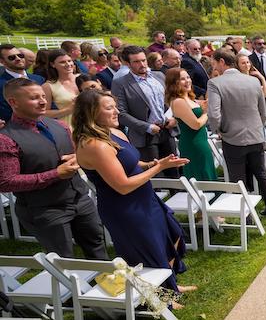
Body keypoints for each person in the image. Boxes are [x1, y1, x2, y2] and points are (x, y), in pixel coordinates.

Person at [73, 90, 193, 297]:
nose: (116, 111)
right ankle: (161, 297)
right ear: (91, 113)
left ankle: (169, 284)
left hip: (145, 198)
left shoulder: (114, 132)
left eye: (115, 106)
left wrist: (149, 164)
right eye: (109, 108)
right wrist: (158, 168)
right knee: (146, 250)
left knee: (170, 235)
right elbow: (123, 185)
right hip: (124, 206)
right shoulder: (95, 145)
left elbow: (129, 161)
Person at [0, 78, 107, 260]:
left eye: (43, 96)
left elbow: (75, 153)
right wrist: (55, 174)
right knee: (62, 259)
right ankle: (73, 289)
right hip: (44, 208)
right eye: (34, 98)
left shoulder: (60, 125)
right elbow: (6, 182)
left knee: (98, 248)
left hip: (80, 198)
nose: (43, 101)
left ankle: (109, 286)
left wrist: (77, 158)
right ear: (13, 102)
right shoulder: (6, 139)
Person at [206, 49, 266, 220]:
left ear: (222, 62)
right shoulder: (253, 81)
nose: (214, 66)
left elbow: (214, 114)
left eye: (214, 63)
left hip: (232, 137)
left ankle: (247, 216)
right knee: (261, 173)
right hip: (255, 134)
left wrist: (219, 130)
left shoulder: (215, 83)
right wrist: (257, 127)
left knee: (238, 179)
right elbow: (263, 111)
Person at [112, 46, 179, 177]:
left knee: (174, 171)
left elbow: (169, 100)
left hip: (166, 130)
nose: (142, 64)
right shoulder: (120, 83)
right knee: (153, 174)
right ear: (127, 63)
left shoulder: (158, 76)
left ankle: (177, 196)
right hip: (145, 135)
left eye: (143, 60)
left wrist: (173, 117)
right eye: (136, 62)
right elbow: (121, 113)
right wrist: (147, 127)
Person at [165, 68, 217, 181]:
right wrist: (206, 112)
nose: (187, 81)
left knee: (207, 174)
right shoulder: (178, 101)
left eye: (188, 77)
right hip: (193, 145)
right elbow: (196, 124)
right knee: (201, 178)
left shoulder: (189, 98)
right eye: (182, 79)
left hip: (201, 142)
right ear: (174, 83)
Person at [1, 45, 45, 122]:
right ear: (2, 61)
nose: (18, 59)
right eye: (11, 57)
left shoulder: (39, 79)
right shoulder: (1, 84)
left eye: (20, 55)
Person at [41, 49, 79, 128]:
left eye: (69, 61)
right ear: (53, 64)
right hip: (70, 128)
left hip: (93, 125)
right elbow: (43, 113)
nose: (68, 64)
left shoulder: (84, 78)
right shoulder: (48, 86)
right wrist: (68, 109)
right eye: (62, 62)